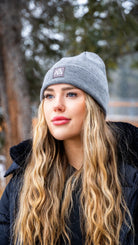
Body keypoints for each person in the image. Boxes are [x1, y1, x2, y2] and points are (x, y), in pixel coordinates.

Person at [0, 52, 137, 245]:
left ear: (94, 105)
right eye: (49, 96)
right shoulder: (24, 179)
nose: (57, 105)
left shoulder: (131, 177)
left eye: (71, 94)